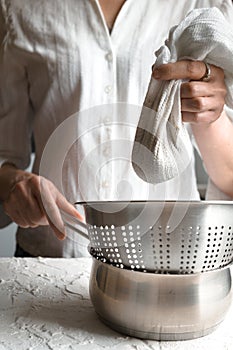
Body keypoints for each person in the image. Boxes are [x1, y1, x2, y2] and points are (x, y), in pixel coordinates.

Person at [0, 0, 233, 258]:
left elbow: (229, 176)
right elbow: (5, 152)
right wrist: (13, 183)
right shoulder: (17, 7)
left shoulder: (203, 6)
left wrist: (211, 114)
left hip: (170, 259)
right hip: (54, 255)